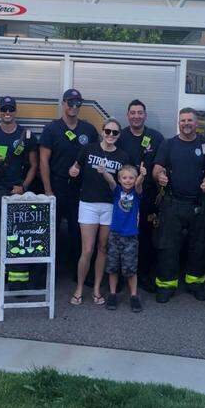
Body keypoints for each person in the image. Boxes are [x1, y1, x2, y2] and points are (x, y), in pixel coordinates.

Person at [151, 107, 205, 302]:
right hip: (172, 203)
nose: (186, 123)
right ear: (178, 123)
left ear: (197, 123)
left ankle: (195, 283)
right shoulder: (168, 144)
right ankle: (166, 285)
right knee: (168, 246)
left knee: (199, 246)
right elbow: (156, 169)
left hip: (198, 204)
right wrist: (159, 176)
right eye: (183, 120)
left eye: (190, 120)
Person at [39, 89, 100, 284]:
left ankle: (79, 273)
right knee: (49, 232)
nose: (74, 106)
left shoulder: (89, 130)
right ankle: (43, 275)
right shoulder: (51, 129)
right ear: (63, 103)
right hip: (57, 186)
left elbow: (95, 158)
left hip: (80, 189)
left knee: (78, 233)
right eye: (70, 102)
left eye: (77, 103)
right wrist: (48, 191)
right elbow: (43, 161)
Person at [68, 118, 130, 305]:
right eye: (108, 131)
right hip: (88, 204)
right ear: (102, 132)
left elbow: (123, 184)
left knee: (103, 248)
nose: (111, 135)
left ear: (119, 135)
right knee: (87, 249)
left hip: (110, 206)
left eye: (115, 132)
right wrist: (73, 170)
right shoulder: (88, 149)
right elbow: (75, 167)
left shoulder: (123, 156)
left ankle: (96, 288)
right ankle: (79, 288)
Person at [0, 96, 39, 290]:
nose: (7, 113)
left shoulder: (26, 136)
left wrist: (23, 187)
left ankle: (17, 279)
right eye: (4, 109)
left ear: (15, 111)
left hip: (17, 192)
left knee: (19, 236)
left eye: (10, 109)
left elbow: (34, 165)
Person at [117, 99, 165, 292]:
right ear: (127, 115)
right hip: (124, 196)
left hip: (148, 196)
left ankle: (144, 275)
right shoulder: (120, 137)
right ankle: (120, 276)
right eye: (133, 113)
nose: (136, 116)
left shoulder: (156, 137)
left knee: (145, 237)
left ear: (145, 115)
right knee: (121, 235)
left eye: (140, 113)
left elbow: (162, 164)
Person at [104, 164, 145, 313]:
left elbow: (139, 184)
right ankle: (112, 294)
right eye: (124, 178)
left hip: (130, 236)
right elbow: (110, 180)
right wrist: (103, 171)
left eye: (131, 178)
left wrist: (142, 175)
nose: (128, 180)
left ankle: (134, 296)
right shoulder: (117, 191)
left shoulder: (137, 193)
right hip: (115, 235)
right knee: (113, 267)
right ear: (120, 179)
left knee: (130, 269)